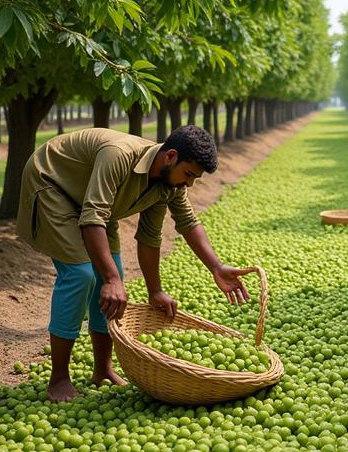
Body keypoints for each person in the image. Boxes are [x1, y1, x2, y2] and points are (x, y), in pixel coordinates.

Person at [16, 124, 249, 402]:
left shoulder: (167, 184)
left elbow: (165, 231)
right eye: (188, 175)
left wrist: (209, 270)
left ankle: (102, 369)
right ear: (170, 156)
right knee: (82, 275)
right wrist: (111, 279)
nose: (189, 184)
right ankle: (59, 379)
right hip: (54, 184)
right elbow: (92, 216)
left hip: (98, 204)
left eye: (194, 179)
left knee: (113, 278)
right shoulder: (118, 156)